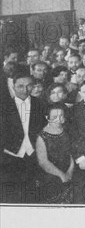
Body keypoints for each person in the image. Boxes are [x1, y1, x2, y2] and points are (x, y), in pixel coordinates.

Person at [1, 73, 47, 203]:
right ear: (13, 86)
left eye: (28, 86)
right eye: (20, 86)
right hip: (9, 157)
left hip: (34, 156)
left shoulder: (41, 104)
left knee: (33, 195)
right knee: (10, 195)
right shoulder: (3, 106)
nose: (25, 90)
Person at [36, 104, 74, 204]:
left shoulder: (66, 131)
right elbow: (43, 162)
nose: (58, 119)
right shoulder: (41, 136)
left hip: (68, 176)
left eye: (61, 116)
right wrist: (61, 175)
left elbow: (71, 154)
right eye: (54, 117)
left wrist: (70, 171)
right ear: (47, 118)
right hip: (51, 178)